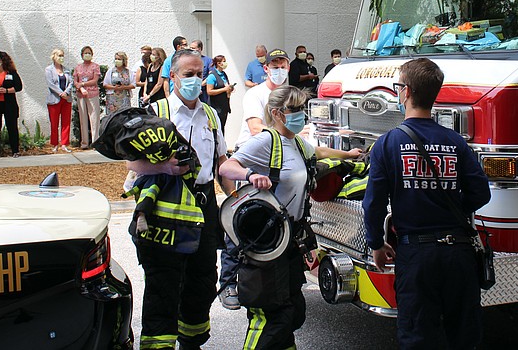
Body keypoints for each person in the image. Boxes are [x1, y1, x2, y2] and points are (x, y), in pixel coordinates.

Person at [219, 86, 363, 350]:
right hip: (269, 240)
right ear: (277, 113)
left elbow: (318, 153)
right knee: (272, 314)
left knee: (292, 310)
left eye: (301, 110)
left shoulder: (297, 143)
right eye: (294, 110)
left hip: (291, 239)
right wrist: (251, 175)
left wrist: (349, 155)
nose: (300, 115)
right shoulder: (266, 141)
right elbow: (227, 166)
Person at [363, 58, 491, 349]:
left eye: (397, 87)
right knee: (464, 335)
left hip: (416, 255)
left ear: (405, 92)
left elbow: (374, 204)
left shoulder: (387, 143)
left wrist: (376, 244)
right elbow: (481, 193)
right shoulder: (455, 141)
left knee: (418, 336)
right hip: (459, 255)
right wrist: (455, 208)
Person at [126, 48, 228, 350]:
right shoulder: (156, 113)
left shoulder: (210, 115)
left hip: (204, 205)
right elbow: (131, 164)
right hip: (164, 210)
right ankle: (158, 346)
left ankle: (192, 341)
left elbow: (221, 162)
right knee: (163, 284)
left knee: (203, 279)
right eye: (188, 75)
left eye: (200, 74)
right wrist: (164, 167)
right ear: (173, 77)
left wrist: (248, 180)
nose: (195, 80)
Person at [218, 48, 292, 311]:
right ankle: (228, 283)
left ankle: (270, 279)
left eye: (283, 63)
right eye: (274, 64)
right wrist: (290, 131)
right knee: (240, 223)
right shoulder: (256, 94)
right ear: (266, 68)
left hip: (281, 165)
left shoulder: (289, 93)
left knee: (274, 222)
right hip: (253, 162)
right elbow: (255, 128)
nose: (279, 68)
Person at [45, 49, 72, 153]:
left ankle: (64, 144)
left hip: (66, 100)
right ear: (54, 56)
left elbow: (70, 82)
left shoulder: (66, 70)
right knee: (54, 123)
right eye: (60, 55)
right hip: (54, 100)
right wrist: (61, 93)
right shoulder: (49, 69)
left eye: (63, 55)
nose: (62, 57)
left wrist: (66, 93)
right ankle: (55, 144)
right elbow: (50, 84)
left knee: (66, 122)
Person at [74, 45, 101, 149]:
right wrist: (80, 88)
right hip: (81, 95)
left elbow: (95, 80)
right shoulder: (78, 67)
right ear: (82, 55)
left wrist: (83, 85)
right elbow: (76, 81)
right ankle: (84, 143)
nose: (87, 55)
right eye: (85, 53)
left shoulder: (95, 66)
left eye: (89, 53)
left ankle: (95, 143)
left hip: (92, 94)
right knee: (83, 119)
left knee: (94, 118)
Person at [205, 54, 234, 133]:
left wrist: (229, 89)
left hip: (224, 107)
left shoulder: (224, 74)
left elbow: (226, 86)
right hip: (215, 107)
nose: (225, 63)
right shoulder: (212, 76)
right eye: (223, 62)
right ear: (218, 63)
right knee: (216, 129)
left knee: (222, 128)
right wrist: (224, 89)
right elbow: (209, 91)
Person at [190, 39, 212, 104]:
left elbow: (211, 75)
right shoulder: (188, 60)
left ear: (199, 49)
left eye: (193, 48)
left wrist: (201, 85)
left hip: (203, 92)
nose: (191, 50)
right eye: (190, 48)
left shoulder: (208, 60)